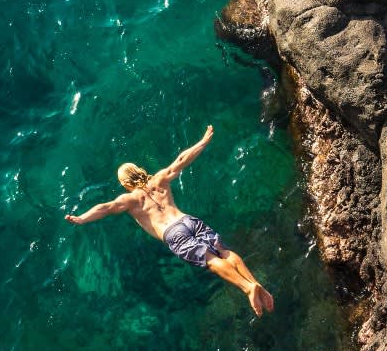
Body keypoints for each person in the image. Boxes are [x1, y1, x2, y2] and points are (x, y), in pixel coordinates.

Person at [65, 126, 276, 315]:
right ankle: (255, 282)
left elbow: (106, 208)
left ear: (124, 183)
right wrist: (202, 142)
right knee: (224, 251)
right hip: (188, 220)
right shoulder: (160, 179)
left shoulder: (129, 199)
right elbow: (181, 161)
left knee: (212, 261)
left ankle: (248, 288)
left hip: (173, 234)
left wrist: (83, 218)